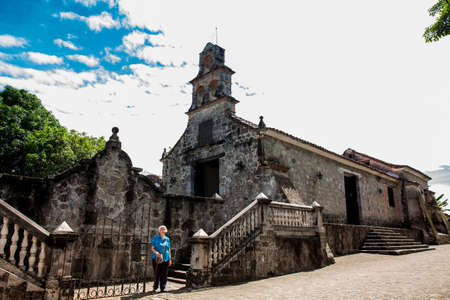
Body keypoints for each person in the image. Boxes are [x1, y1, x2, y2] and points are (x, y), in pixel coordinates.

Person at [151, 225, 172, 293]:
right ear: (159, 231)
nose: (163, 230)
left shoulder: (167, 239)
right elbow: (152, 248)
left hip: (165, 258)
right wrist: (156, 253)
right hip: (157, 258)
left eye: (164, 229)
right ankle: (155, 287)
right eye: (161, 229)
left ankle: (163, 288)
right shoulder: (155, 238)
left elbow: (168, 249)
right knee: (157, 273)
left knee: (164, 273)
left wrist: (170, 259)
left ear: (166, 231)